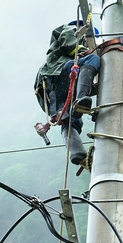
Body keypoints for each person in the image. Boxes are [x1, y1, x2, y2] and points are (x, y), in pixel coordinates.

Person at [34, 19, 100, 165]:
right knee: (92, 59)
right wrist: (86, 51)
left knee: (68, 120)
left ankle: (77, 152)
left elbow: (82, 82)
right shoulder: (72, 29)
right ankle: (80, 99)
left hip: (52, 91)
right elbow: (67, 41)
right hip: (56, 75)